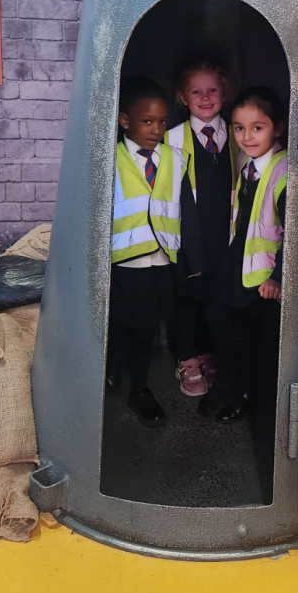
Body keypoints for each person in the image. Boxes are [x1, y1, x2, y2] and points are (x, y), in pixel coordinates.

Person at [108, 75, 194, 425]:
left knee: (148, 325)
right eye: (147, 121)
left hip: (163, 259)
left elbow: (186, 209)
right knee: (131, 325)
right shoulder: (110, 159)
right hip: (124, 262)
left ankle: (127, 375)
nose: (156, 129)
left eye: (161, 122)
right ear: (124, 120)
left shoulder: (176, 158)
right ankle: (138, 388)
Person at [199, 86, 287, 425]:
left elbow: (295, 231)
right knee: (216, 317)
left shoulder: (284, 172)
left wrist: (278, 277)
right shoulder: (244, 161)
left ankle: (246, 392)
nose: (247, 137)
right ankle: (225, 382)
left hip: (263, 271)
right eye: (239, 128)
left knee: (253, 336)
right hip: (237, 257)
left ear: (277, 128)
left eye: (257, 128)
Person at [165, 61, 237, 398]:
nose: (205, 98)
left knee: (216, 295)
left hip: (225, 234)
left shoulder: (239, 134)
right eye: (196, 91)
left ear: (224, 93)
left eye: (212, 90)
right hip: (188, 235)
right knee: (187, 298)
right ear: (183, 97)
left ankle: (208, 353)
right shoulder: (172, 139)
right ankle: (187, 358)